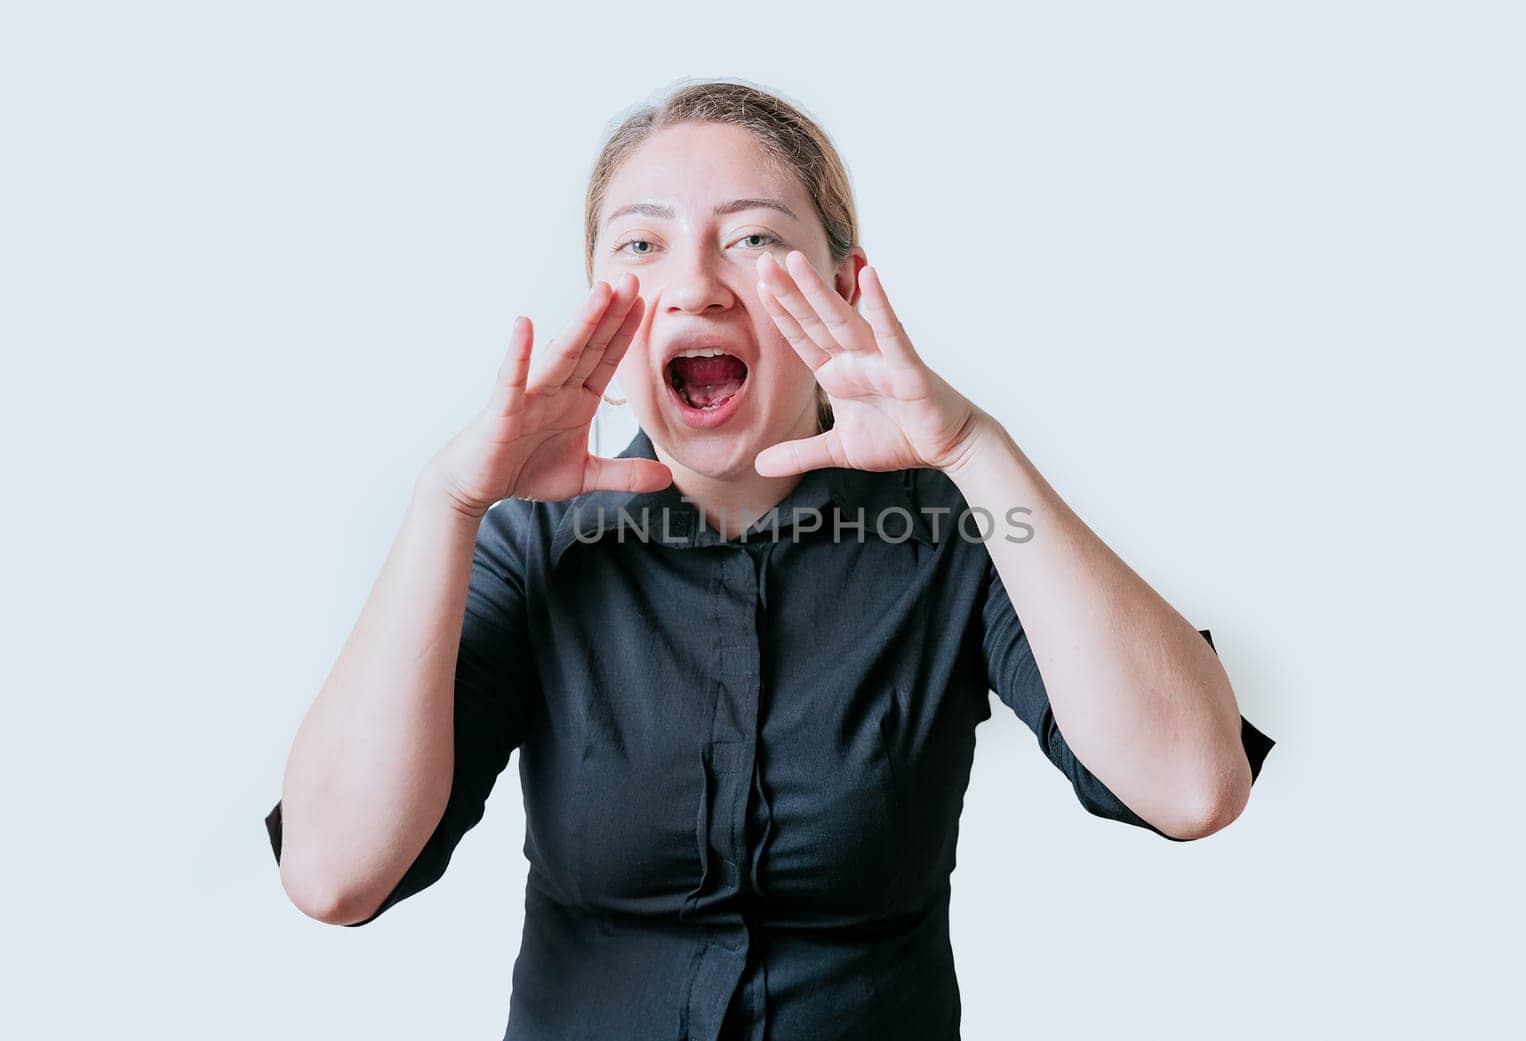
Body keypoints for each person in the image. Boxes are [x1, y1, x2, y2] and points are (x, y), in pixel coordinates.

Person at [263, 78, 1275, 1040]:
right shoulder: (530, 544)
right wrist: (448, 504)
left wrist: (974, 451)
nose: (695, 284)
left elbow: (1191, 788)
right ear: (603, 306)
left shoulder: (947, 527)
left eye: (751, 237)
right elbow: (332, 874)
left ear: (843, 287)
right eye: (643, 244)